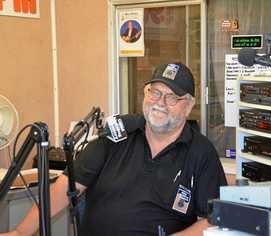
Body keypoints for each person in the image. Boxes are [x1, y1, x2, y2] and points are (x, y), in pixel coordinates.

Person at [0, 62, 227, 236]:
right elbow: (66, 187)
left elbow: (214, 217)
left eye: (171, 97)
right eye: (154, 92)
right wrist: (20, 232)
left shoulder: (201, 153)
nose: (159, 102)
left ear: (188, 106)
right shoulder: (116, 135)